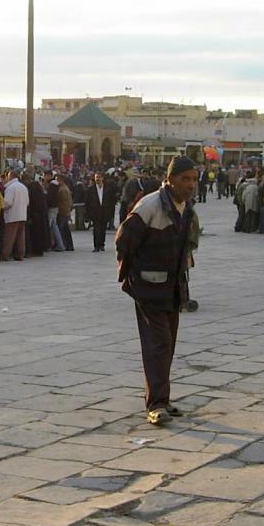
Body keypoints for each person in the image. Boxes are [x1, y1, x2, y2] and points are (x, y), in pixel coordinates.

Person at [115, 155, 198, 425]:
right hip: (149, 287)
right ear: (170, 179)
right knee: (158, 343)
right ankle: (156, 404)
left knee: (168, 344)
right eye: (185, 179)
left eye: (194, 179)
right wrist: (135, 274)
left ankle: (163, 398)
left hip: (172, 287)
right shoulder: (149, 205)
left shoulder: (185, 207)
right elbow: (124, 241)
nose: (190, 185)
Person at [1, 169, 29, 261]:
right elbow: (27, 202)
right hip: (22, 215)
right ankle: (20, 254)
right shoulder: (23, 187)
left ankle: (5, 254)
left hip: (12, 216)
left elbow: (8, 202)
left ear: (10, 177)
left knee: (9, 237)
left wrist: (1, 206)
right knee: (20, 237)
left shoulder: (10, 188)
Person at [85, 171, 116, 252]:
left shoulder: (108, 189)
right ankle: (96, 246)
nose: (97, 179)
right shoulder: (90, 189)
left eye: (99, 177)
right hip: (95, 212)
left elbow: (112, 201)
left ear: (102, 178)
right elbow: (87, 202)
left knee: (103, 229)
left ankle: (102, 244)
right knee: (96, 229)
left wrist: (111, 213)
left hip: (105, 212)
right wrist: (88, 213)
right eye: (96, 177)